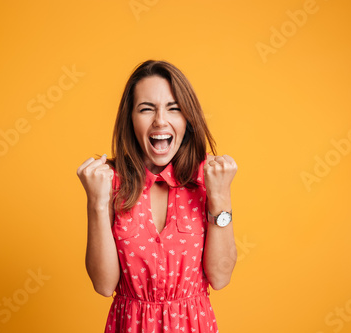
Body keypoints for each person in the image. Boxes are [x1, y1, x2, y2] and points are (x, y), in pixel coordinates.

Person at [77, 60, 237, 332]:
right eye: (146, 109)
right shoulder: (110, 183)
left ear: (187, 120)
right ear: (130, 119)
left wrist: (220, 196)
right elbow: (104, 285)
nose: (160, 120)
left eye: (173, 109)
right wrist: (96, 203)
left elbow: (220, 277)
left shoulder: (208, 179)